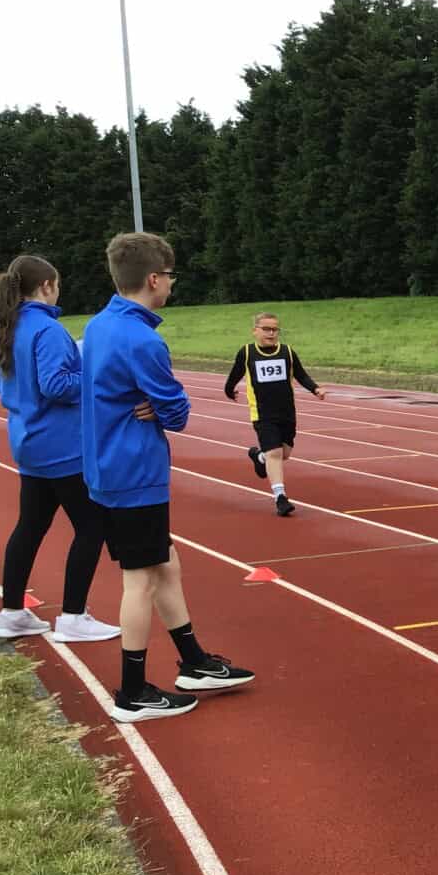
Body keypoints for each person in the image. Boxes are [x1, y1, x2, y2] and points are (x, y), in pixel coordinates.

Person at [81, 232, 255, 722]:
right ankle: (132, 691)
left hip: (109, 466)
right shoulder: (142, 339)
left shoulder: (99, 324)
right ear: (154, 279)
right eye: (171, 276)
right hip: (132, 470)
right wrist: (159, 406)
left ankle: (194, 661)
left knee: (166, 564)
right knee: (139, 579)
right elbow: (177, 412)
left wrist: (150, 403)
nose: (173, 285)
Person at [0, 255, 119, 644]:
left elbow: (6, 388)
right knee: (92, 526)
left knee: (30, 526)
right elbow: (57, 385)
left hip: (28, 441)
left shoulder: (8, 328)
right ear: (47, 286)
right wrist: (91, 370)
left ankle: (12, 612)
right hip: (62, 446)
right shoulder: (47, 329)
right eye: (57, 284)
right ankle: (74, 616)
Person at [224, 311, 326, 516]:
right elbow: (234, 375)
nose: (271, 333)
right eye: (266, 329)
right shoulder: (247, 353)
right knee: (275, 453)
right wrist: (229, 390)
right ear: (255, 331)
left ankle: (259, 457)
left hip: (287, 413)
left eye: (275, 329)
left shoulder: (287, 352)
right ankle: (280, 497)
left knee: (284, 454)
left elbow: (301, 375)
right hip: (263, 413)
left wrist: (315, 388)